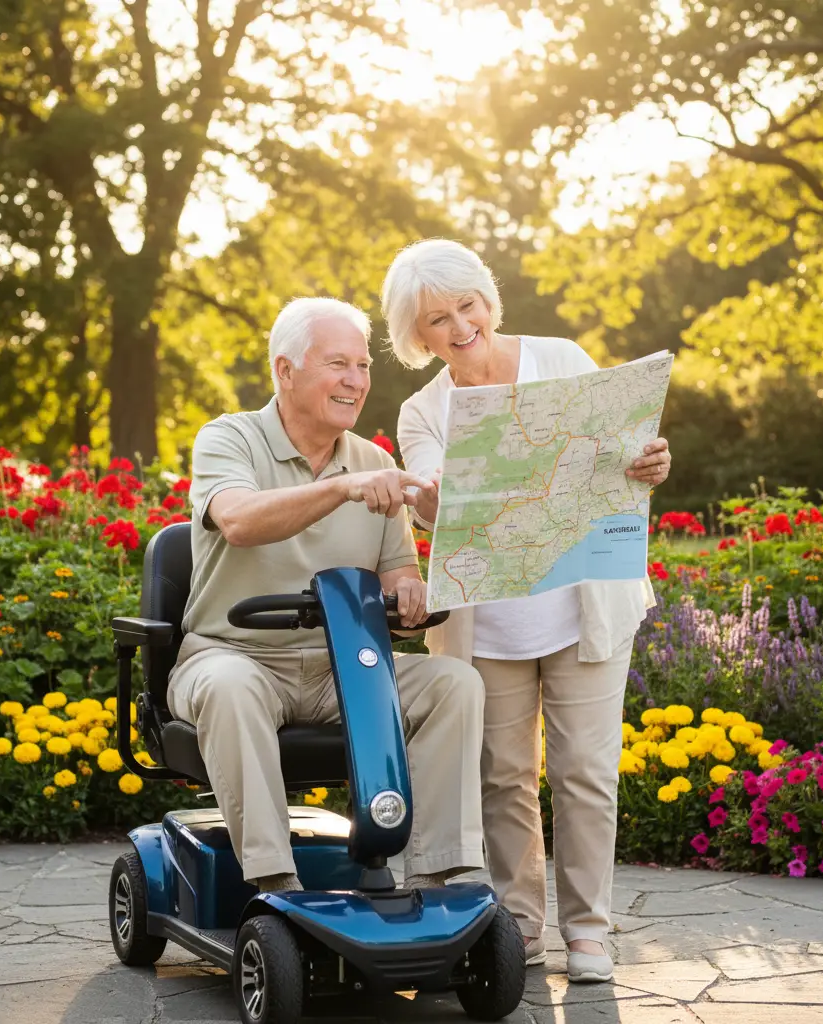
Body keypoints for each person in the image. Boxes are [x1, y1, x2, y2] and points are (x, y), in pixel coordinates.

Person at [381, 239, 672, 983]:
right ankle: (517, 927)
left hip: (586, 611)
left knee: (586, 774)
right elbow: (429, 498)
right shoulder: (422, 411)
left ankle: (589, 933)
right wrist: (438, 497)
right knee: (504, 778)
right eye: (436, 319)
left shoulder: (563, 359)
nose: (459, 326)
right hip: (491, 625)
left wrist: (649, 464)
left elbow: (621, 460)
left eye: (467, 305)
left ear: (487, 299)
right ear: (417, 338)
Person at [167, 296, 487, 894]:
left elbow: (398, 575)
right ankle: (273, 884)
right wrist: (342, 489)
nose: (356, 381)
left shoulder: (374, 462)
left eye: (363, 366)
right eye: (338, 364)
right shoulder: (228, 439)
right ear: (285, 371)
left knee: (453, 684)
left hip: (346, 669)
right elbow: (237, 520)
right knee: (231, 689)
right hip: (235, 657)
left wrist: (410, 594)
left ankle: (443, 875)